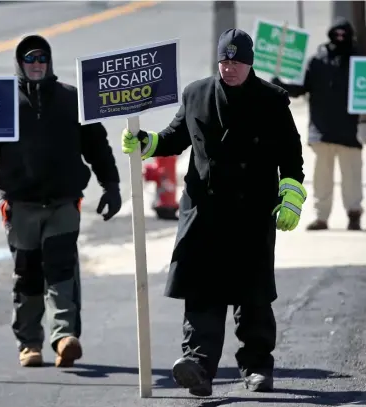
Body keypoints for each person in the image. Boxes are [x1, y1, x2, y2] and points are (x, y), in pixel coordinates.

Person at [122, 28, 307, 397]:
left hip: (251, 212)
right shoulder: (196, 93)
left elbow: (291, 157)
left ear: (249, 62)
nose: (229, 68)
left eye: (236, 61)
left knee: (251, 294)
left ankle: (257, 367)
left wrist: (291, 199)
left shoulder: (271, 100)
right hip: (204, 213)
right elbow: (176, 137)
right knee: (202, 291)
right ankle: (198, 367)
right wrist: (147, 143)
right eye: (224, 60)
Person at [0, 34, 122, 368]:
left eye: (42, 59)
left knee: (61, 270)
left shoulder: (71, 99)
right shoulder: (4, 103)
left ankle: (64, 337)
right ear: (20, 63)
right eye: (30, 59)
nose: (36, 65)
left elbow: (97, 146)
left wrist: (111, 185)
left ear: (49, 63)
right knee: (27, 275)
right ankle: (30, 343)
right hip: (21, 206)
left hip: (63, 202)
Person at [271, 18, 363, 231]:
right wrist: (278, 84)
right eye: (336, 33)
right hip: (321, 132)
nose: (340, 38)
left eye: (344, 34)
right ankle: (321, 217)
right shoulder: (317, 61)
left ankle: (354, 214)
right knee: (322, 180)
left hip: (351, 133)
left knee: (352, 179)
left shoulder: (360, 63)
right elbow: (300, 88)